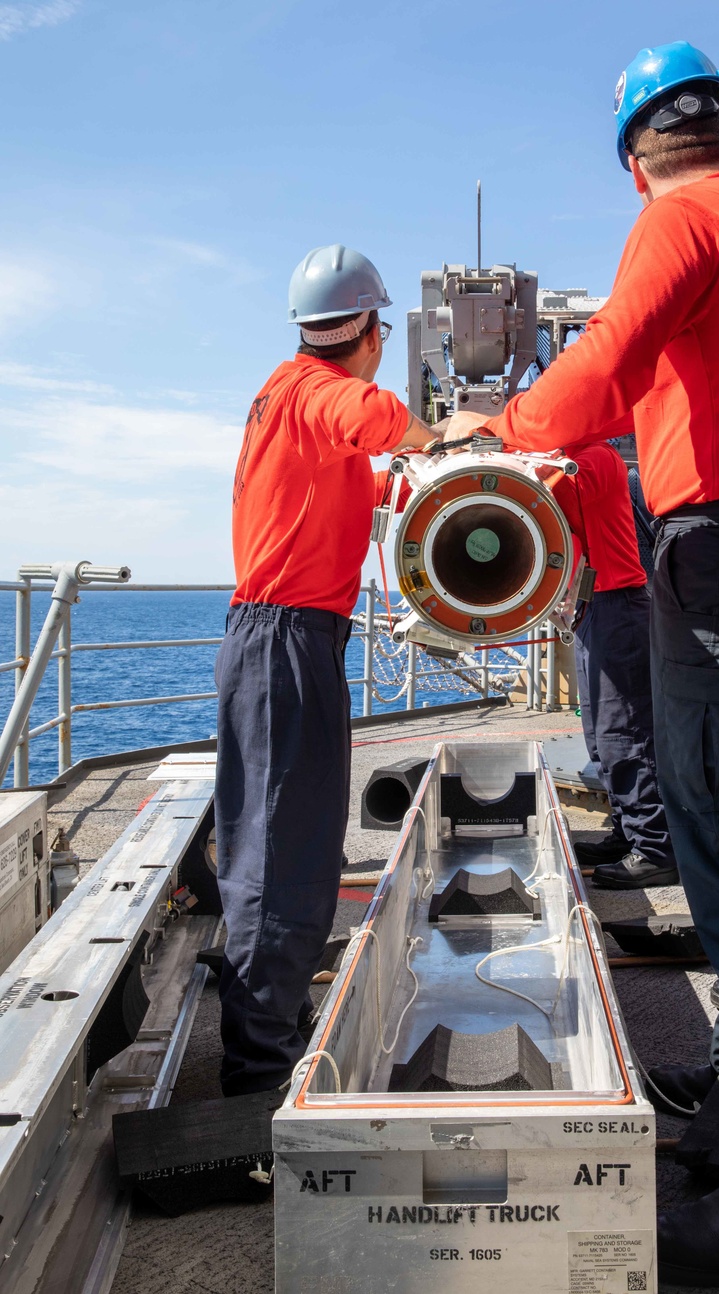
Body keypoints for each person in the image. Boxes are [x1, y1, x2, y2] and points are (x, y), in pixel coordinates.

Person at [445, 40, 719, 1286]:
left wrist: (499, 426)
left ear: (635, 159)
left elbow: (606, 364)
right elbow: (681, 386)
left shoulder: (681, 223)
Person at [214, 244, 438, 1097]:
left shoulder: (287, 392)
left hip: (285, 640)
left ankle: (273, 1031)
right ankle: (260, 1074)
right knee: (279, 859)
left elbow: (341, 477)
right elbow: (379, 419)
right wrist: (445, 435)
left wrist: (398, 488)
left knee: (290, 842)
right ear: (372, 333)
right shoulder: (323, 394)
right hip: (286, 643)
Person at [549, 440, 677, 888]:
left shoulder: (594, 459)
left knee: (626, 734)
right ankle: (629, 830)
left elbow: (544, 498)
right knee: (602, 739)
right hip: (593, 607)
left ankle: (656, 846)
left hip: (617, 606)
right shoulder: (573, 461)